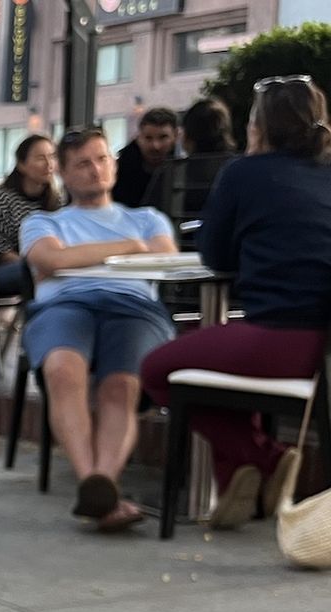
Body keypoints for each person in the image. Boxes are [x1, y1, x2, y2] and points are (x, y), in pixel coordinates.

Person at [142, 77, 331, 528]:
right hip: (325, 347)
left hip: (279, 339)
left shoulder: (244, 173)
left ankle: (265, 458)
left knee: (155, 369)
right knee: (222, 369)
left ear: (261, 126)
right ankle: (236, 487)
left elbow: (214, 255)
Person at [21, 127, 180, 530]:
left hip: (133, 308)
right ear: (64, 174)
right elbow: (50, 261)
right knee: (61, 370)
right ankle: (97, 485)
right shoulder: (42, 221)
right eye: (83, 163)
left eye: (102, 158)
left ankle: (100, 486)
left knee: (121, 386)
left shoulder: (146, 218)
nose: (96, 169)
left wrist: (81, 257)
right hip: (65, 305)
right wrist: (127, 248)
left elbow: (165, 258)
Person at [143, 98, 238, 226]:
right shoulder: (241, 170)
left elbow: (147, 221)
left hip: (180, 243)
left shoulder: (172, 174)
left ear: (187, 135)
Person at [0, 135, 62, 295]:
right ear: (21, 165)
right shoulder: (3, 199)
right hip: (1, 269)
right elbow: (0, 250)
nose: (49, 164)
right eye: (41, 158)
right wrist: (37, 265)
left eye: (52, 157)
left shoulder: (58, 199)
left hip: (45, 264)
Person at [114, 107, 179, 208]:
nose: (155, 146)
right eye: (148, 138)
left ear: (175, 136)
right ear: (139, 137)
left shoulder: (183, 171)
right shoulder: (116, 173)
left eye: (163, 137)